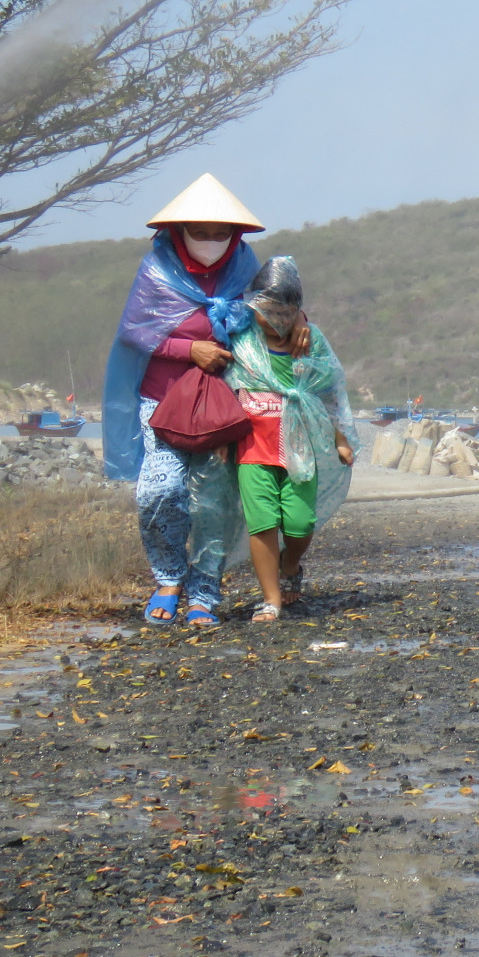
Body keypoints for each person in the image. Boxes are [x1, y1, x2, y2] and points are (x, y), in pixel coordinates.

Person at [102, 174, 291, 629]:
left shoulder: (246, 273)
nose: (209, 241)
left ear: (235, 235)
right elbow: (135, 332)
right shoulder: (156, 273)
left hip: (222, 408)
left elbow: (274, 314)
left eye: (218, 233)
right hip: (162, 401)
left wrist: (298, 322)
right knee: (159, 490)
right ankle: (168, 578)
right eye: (199, 232)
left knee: (215, 501)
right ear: (178, 231)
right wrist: (190, 350)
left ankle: (204, 591)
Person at [224, 257, 356, 621]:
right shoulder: (240, 336)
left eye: (287, 311)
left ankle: (291, 565)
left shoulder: (310, 342)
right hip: (252, 444)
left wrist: (341, 439)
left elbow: (330, 391)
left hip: (300, 445)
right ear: (253, 305)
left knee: (299, 524)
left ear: (298, 310)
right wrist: (221, 440)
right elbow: (223, 386)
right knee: (262, 521)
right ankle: (271, 600)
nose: (277, 320)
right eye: (269, 311)